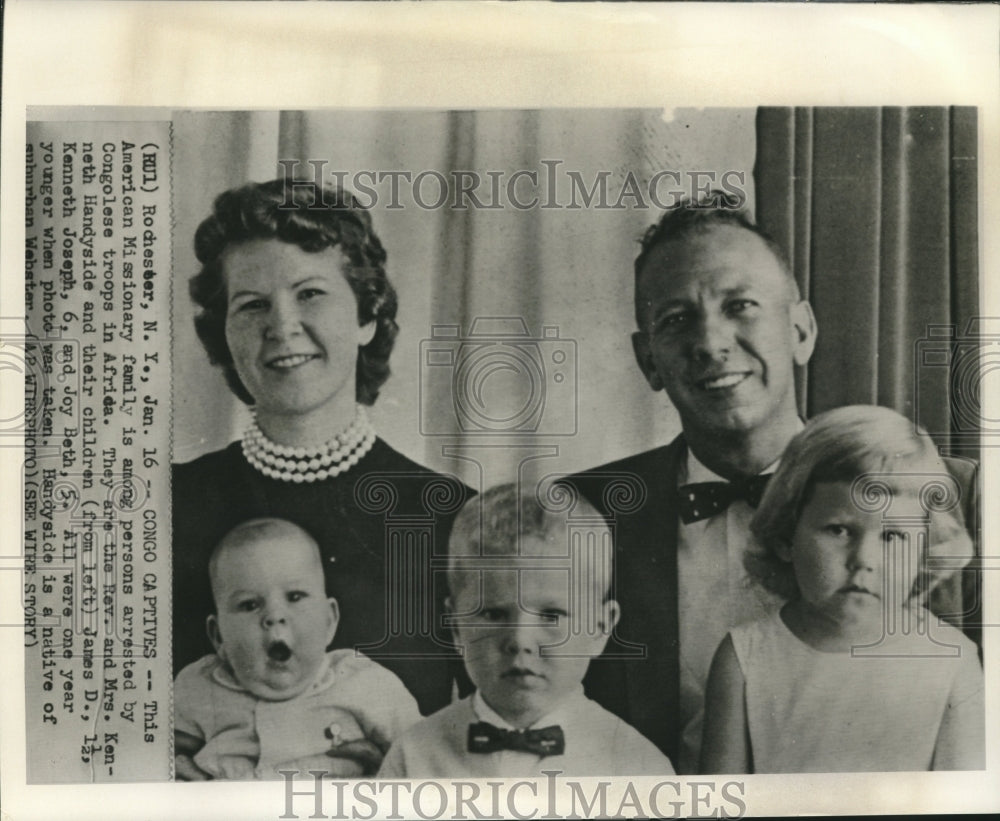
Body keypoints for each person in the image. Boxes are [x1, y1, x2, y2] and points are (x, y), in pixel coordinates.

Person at [562, 193, 979, 773]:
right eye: (677, 319)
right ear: (648, 361)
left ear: (801, 330)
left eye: (741, 305)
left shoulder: (955, 496)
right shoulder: (578, 515)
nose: (711, 343)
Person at [172, 179, 472, 731]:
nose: (282, 326)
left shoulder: (452, 517)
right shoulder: (163, 506)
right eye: (252, 305)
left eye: (310, 293)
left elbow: (499, 734)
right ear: (224, 335)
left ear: (367, 316)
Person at [701, 406, 983, 773]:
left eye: (893, 535)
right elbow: (719, 800)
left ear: (923, 550)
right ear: (787, 536)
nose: (863, 559)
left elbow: (961, 803)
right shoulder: (745, 657)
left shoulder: (951, 660)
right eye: (839, 530)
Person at [378, 484, 675, 778]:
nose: (520, 641)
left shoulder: (637, 766)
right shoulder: (413, 755)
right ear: (455, 625)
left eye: (551, 615)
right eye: (493, 614)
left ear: (600, 628)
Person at [174, 519, 421, 780]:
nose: (274, 616)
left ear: (329, 620)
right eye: (249, 605)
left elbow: (423, 759)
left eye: (294, 597)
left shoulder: (367, 684)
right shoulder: (197, 686)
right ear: (218, 635)